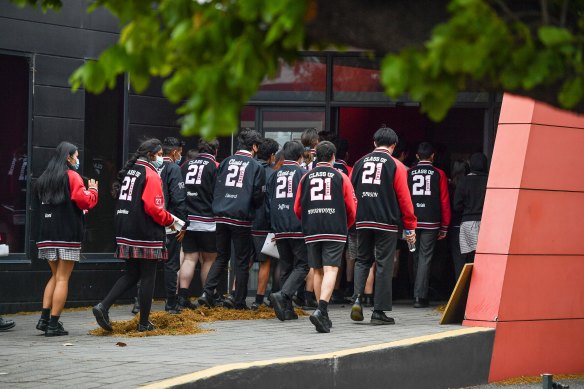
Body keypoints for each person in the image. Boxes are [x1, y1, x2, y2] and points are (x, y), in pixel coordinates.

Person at [93, 139, 176, 333]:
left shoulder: (131, 171)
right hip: (145, 231)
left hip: (125, 228)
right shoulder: (151, 174)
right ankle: (144, 322)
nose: (162, 158)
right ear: (151, 154)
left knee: (131, 273)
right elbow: (154, 208)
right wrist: (170, 220)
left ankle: (103, 306)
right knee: (148, 276)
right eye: (160, 153)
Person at [350, 127, 417, 324]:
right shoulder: (396, 165)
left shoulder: (359, 163)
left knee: (362, 260)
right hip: (386, 222)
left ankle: (356, 299)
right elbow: (404, 198)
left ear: (374, 142)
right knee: (384, 264)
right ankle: (378, 311)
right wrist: (410, 226)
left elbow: (351, 192)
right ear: (394, 146)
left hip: (362, 220)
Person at [197, 129, 265, 310]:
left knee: (221, 256)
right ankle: (238, 300)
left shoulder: (225, 161)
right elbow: (258, 195)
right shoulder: (255, 166)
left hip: (220, 214)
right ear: (254, 146)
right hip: (241, 217)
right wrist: (253, 207)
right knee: (241, 261)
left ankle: (207, 292)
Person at [36, 142, 98, 336]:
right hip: (67, 233)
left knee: (54, 276)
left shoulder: (44, 178)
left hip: (47, 233)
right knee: (63, 277)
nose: (77, 160)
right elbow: (84, 200)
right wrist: (94, 190)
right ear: (68, 157)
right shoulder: (72, 176)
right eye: (76, 156)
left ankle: (44, 319)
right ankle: (54, 325)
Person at [294, 141, 357, 333]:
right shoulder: (341, 176)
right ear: (333, 157)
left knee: (317, 269)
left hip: (312, 228)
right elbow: (352, 207)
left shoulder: (305, 177)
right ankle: (322, 310)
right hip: (334, 227)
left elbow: (297, 207)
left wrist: (308, 221)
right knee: (331, 269)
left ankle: (322, 311)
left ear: (315, 156)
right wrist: (345, 225)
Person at [267, 141, 309, 321]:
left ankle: (286, 309)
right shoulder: (302, 173)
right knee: (303, 265)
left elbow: (269, 203)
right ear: (300, 156)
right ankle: (283, 295)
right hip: (297, 226)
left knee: (286, 266)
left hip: (279, 226)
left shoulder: (274, 175)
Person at [408, 142, 451, 308]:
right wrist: (445, 226)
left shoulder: (408, 173)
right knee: (425, 257)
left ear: (417, 156)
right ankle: (420, 296)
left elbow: (402, 197)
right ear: (433, 156)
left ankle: (416, 292)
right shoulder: (439, 174)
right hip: (431, 221)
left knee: (415, 256)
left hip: (412, 220)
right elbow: (444, 201)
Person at [178, 139, 220, 309]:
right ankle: (207, 296)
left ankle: (182, 297)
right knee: (209, 259)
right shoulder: (215, 166)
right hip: (208, 220)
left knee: (189, 258)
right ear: (215, 150)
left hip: (188, 220)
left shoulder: (185, 165)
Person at [158, 137, 187, 313]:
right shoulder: (173, 168)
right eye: (180, 153)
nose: (180, 156)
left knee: (146, 263)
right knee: (170, 262)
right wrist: (182, 225)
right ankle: (170, 303)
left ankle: (139, 302)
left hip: (148, 221)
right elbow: (179, 199)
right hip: (168, 221)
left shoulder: (150, 165)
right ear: (175, 152)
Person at [251, 138, 279, 310]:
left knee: (243, 261)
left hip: (245, 221)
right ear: (272, 155)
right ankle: (259, 299)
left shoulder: (249, 167)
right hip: (264, 224)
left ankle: (234, 294)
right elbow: (272, 202)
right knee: (266, 262)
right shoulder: (272, 173)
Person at [454, 153, 488, 265]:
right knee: (486, 257)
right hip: (487, 224)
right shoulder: (490, 180)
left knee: (469, 259)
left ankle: (471, 282)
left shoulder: (463, 181)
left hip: (468, 223)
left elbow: (457, 206)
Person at [449, 159, 469, 280]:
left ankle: (458, 289)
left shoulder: (450, 186)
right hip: (467, 223)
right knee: (471, 259)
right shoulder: (467, 183)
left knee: (458, 260)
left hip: (454, 225)